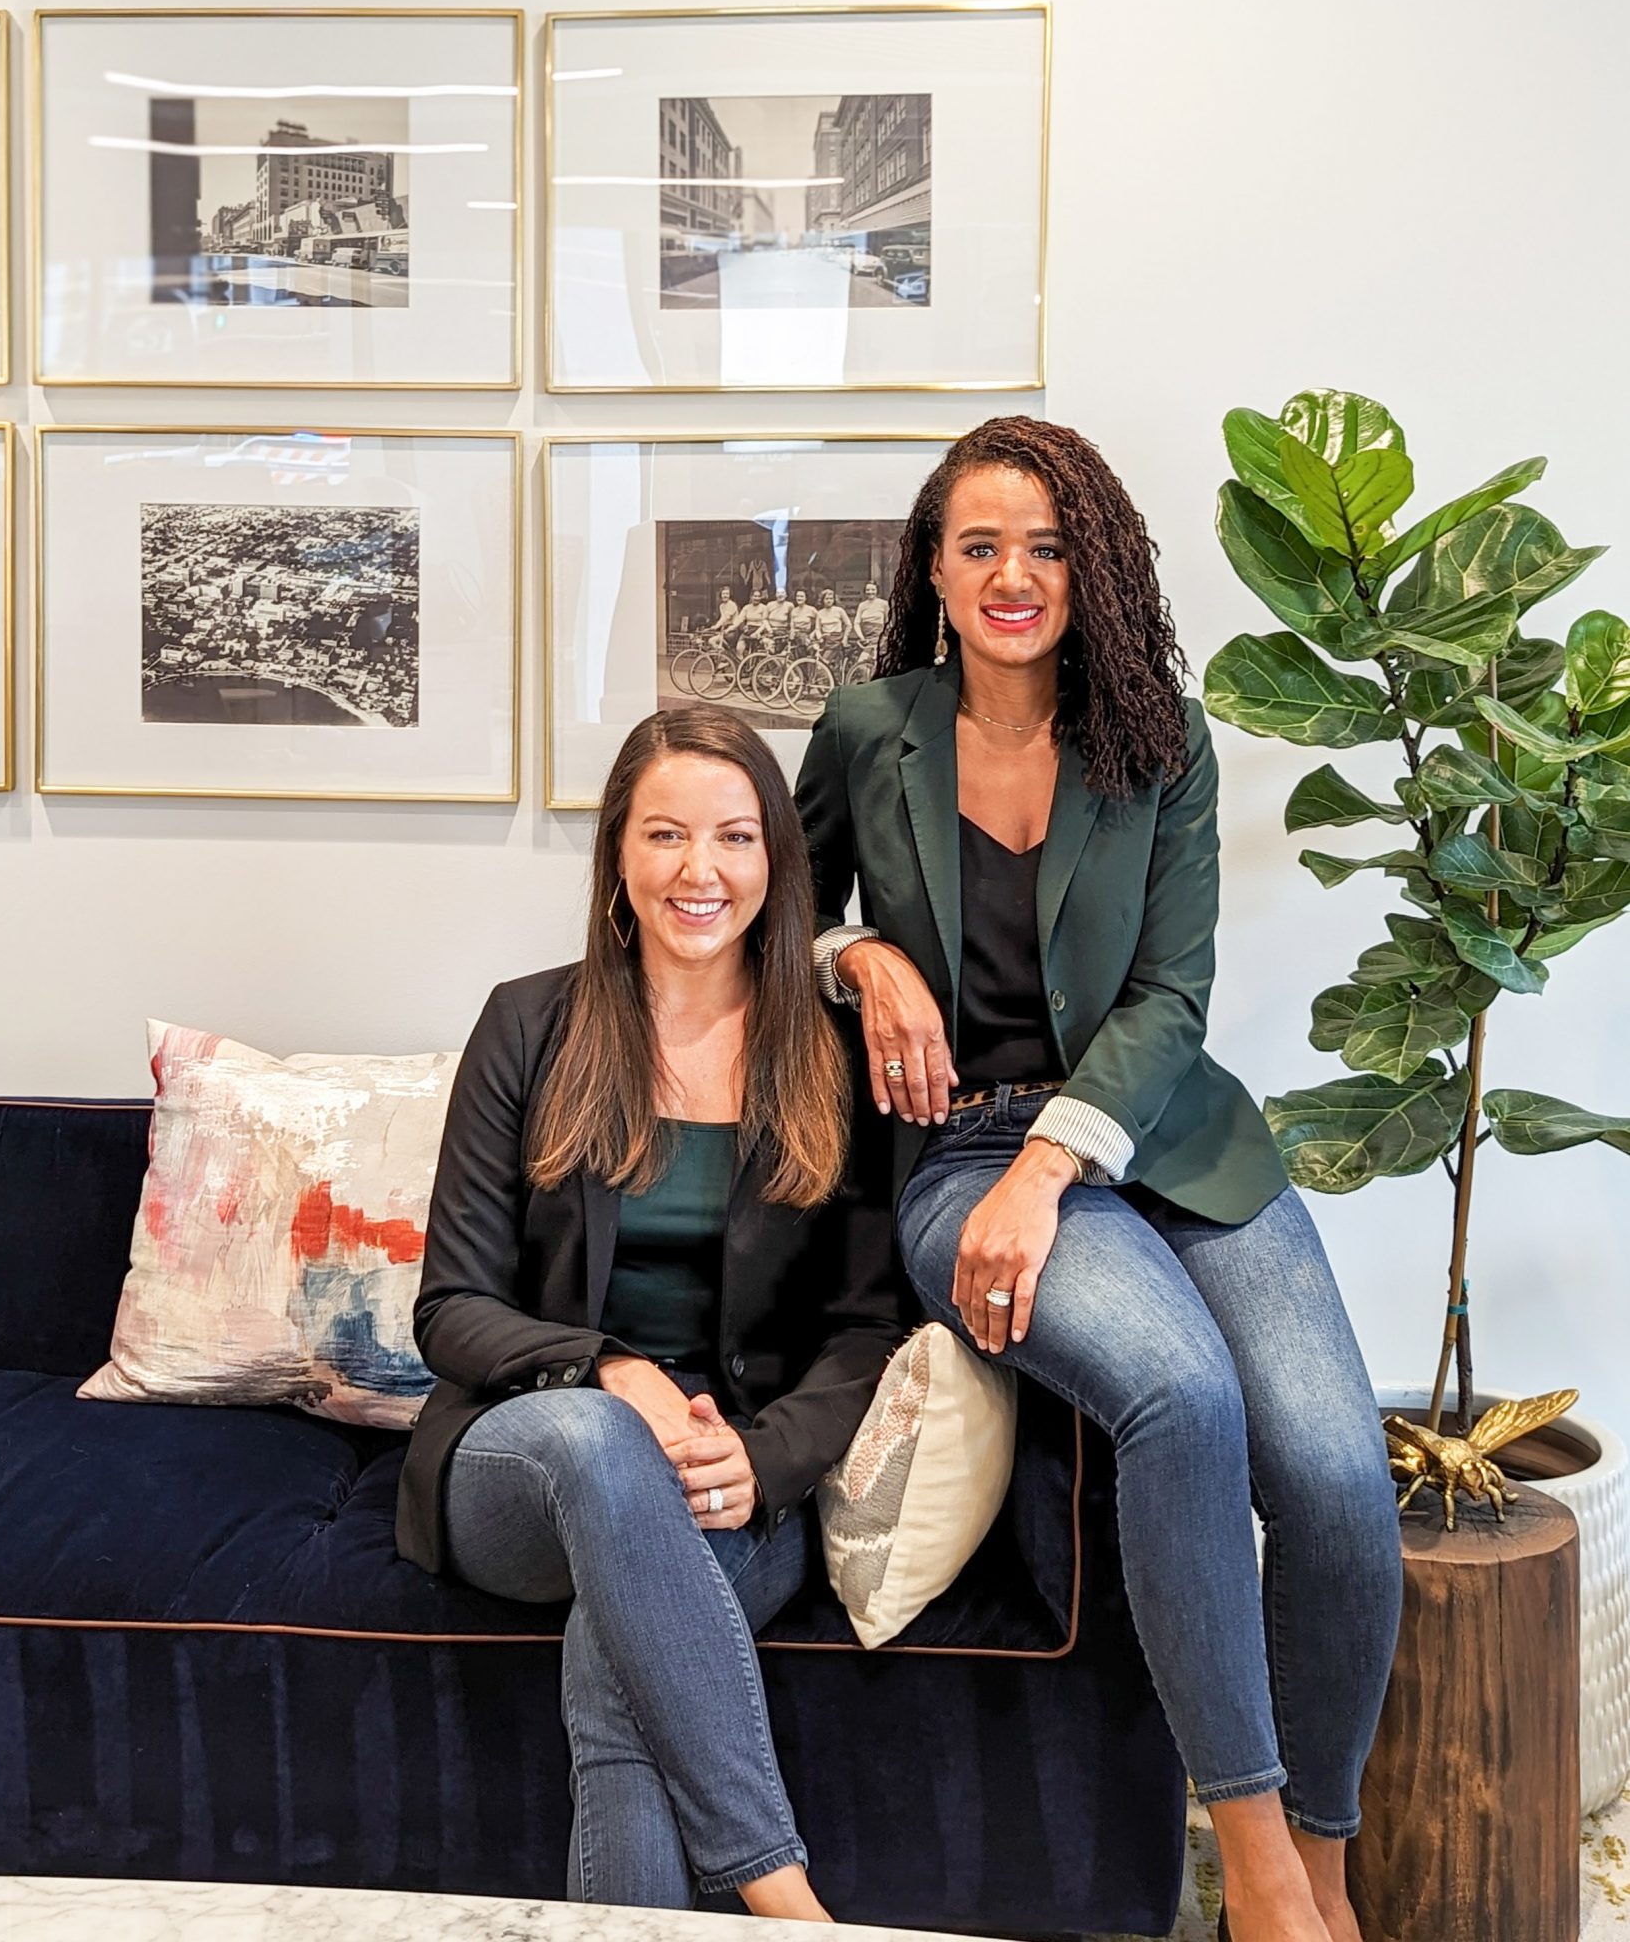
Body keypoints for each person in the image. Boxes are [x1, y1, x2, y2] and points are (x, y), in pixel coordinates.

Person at [793, 417, 1402, 1942]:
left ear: (1094, 571)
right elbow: (771, 909)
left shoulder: (1159, 739)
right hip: (962, 1158)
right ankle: (1255, 1876)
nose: (1013, 576)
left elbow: (1168, 997)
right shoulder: (867, 730)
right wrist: (858, 956)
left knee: (1335, 1478)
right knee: (1180, 1401)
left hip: (1164, 1142)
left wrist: (1056, 1160)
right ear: (933, 572)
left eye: (1048, 547)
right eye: (979, 546)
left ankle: (1321, 1869)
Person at [399, 704, 902, 1919]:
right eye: (665, 834)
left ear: (775, 857)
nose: (698, 869)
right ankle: (788, 1902)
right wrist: (609, 1368)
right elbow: (451, 1306)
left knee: (614, 1667)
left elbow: (866, 1325)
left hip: (728, 1475)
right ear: (619, 855)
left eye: (733, 836)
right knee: (598, 1439)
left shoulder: (832, 1054)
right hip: (528, 1456)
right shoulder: (529, 1023)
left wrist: (762, 1460)